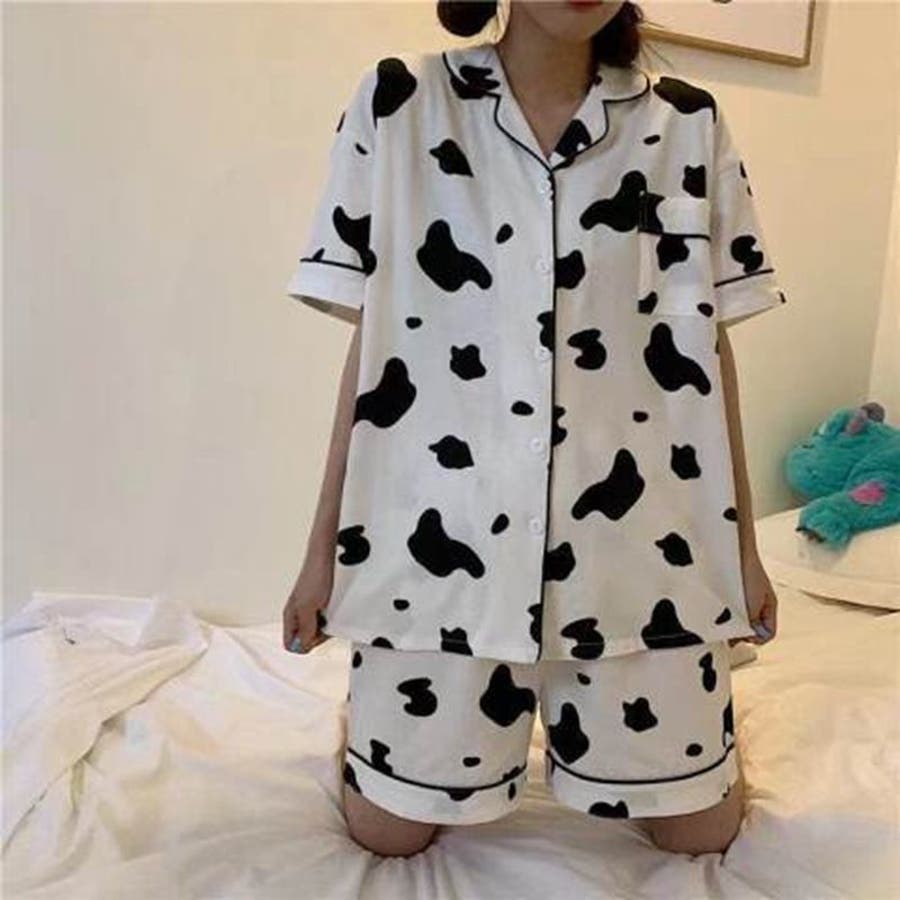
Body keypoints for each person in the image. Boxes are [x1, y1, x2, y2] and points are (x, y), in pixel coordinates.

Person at [283, 0, 785, 860]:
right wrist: (321, 555)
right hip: (443, 548)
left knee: (702, 836)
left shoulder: (687, 124)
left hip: (639, 552)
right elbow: (376, 353)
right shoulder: (400, 103)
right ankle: (382, 717)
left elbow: (708, 352)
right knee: (387, 836)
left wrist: (741, 555)